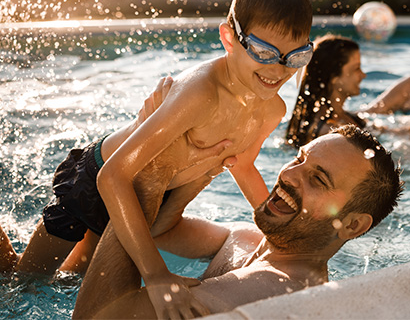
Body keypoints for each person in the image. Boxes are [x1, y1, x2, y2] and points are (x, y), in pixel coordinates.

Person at [1, 0, 313, 320]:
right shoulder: (201, 93)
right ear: (229, 38)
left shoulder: (272, 109)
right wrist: (155, 275)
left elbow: (240, 165)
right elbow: (113, 177)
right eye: (263, 51)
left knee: (72, 280)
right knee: (22, 283)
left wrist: (288, 236)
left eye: (296, 57)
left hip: (150, 198)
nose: (278, 70)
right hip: (94, 181)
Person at [71, 125, 403, 320]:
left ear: (353, 225)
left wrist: (146, 179)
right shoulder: (247, 239)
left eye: (317, 178)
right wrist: (203, 167)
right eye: (299, 159)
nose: (287, 175)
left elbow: (94, 318)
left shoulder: (271, 290)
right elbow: (161, 231)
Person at [285, 34, 410, 149]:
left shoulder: (348, 118)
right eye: (356, 68)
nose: (363, 75)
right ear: (334, 77)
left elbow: (391, 130)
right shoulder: (328, 132)